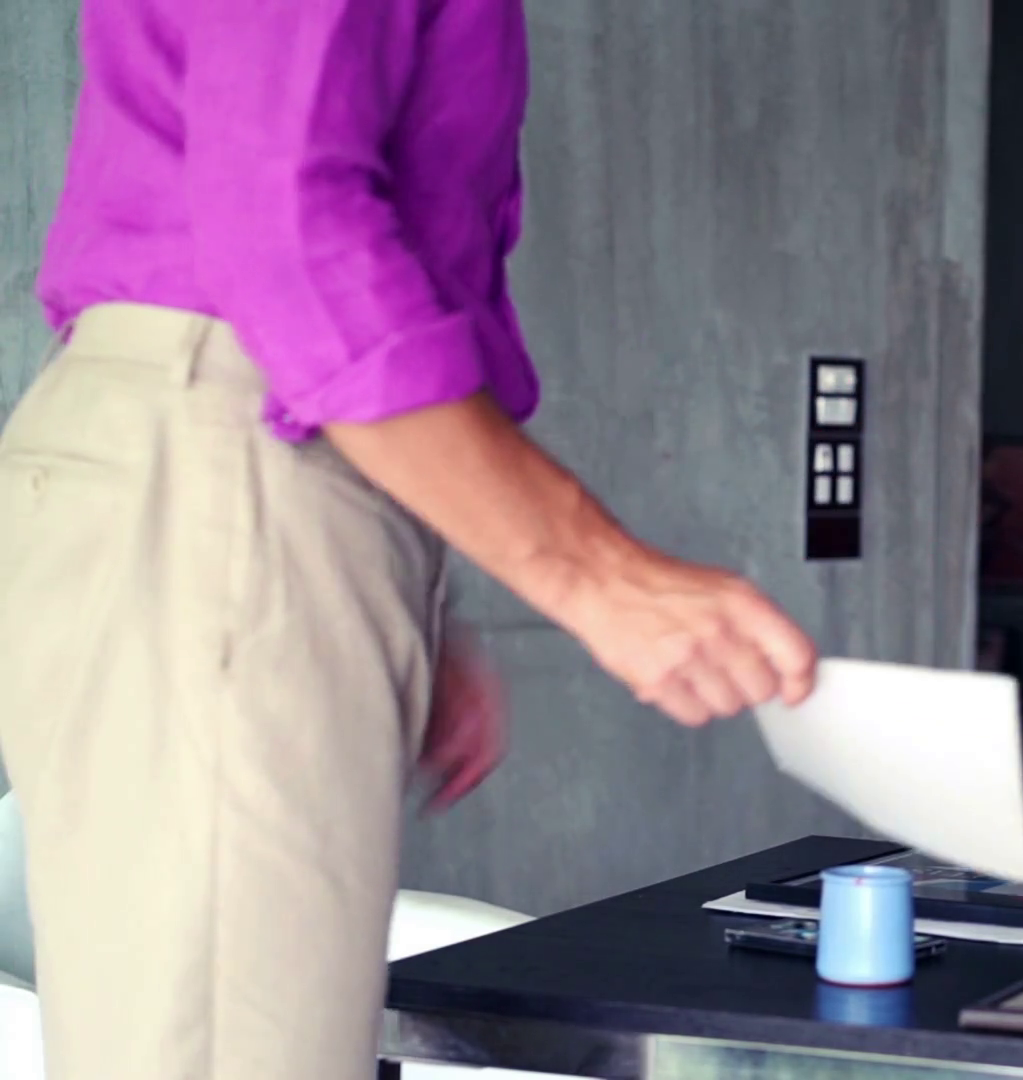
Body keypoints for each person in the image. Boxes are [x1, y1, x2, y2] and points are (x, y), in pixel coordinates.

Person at [0, 3, 817, 1079]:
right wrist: (595, 574)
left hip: (253, 472)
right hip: (234, 454)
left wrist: (394, 584)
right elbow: (286, 231)